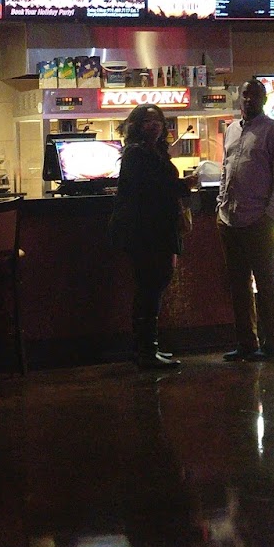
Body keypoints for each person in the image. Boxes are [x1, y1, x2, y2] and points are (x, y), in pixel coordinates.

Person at [218, 77, 274, 362]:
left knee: (266, 283)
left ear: (264, 99)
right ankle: (246, 343)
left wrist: (271, 215)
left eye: (255, 95)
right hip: (229, 218)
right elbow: (226, 168)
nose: (249, 99)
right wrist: (221, 204)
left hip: (258, 219)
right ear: (240, 97)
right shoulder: (231, 130)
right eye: (245, 95)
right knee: (238, 285)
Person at [109, 104, 189, 371]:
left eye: (158, 121)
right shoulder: (137, 154)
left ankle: (145, 348)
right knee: (151, 285)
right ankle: (146, 350)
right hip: (147, 231)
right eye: (147, 121)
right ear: (136, 125)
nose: (154, 125)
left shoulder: (151, 152)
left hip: (152, 229)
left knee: (151, 286)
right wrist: (184, 185)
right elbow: (151, 189)